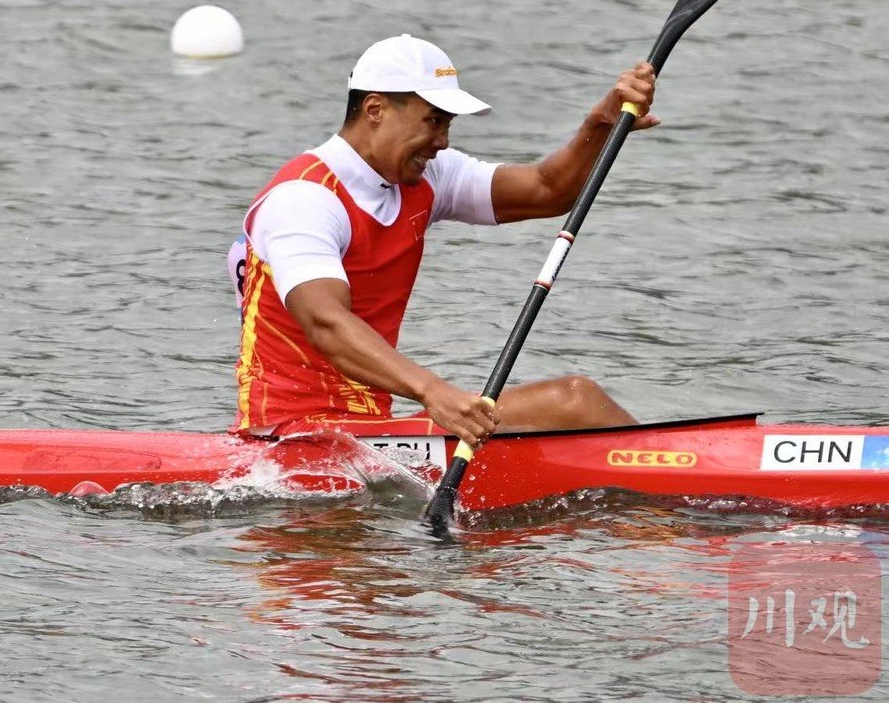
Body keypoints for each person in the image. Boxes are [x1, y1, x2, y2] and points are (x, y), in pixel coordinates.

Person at [231, 34, 653, 448]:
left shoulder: (428, 175)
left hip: (368, 435)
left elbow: (548, 190)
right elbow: (326, 324)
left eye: (448, 124)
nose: (443, 142)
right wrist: (433, 391)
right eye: (433, 120)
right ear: (375, 109)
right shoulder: (305, 198)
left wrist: (598, 126)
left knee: (570, 406)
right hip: (289, 437)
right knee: (572, 401)